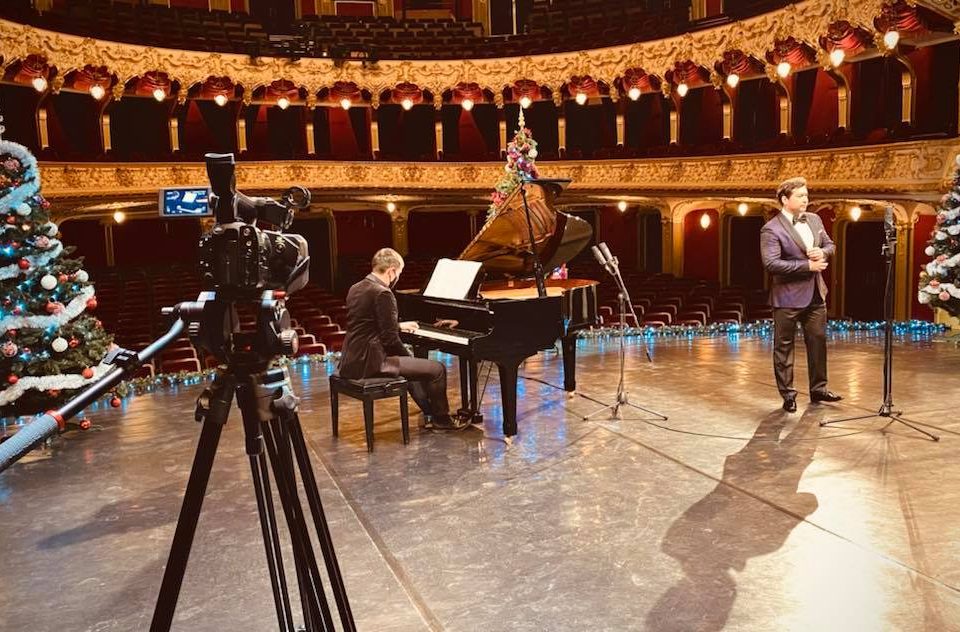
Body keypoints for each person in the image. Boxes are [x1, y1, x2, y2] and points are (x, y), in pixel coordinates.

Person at [337, 248, 469, 430]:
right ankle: (442, 420)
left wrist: (398, 325)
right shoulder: (383, 293)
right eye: (399, 273)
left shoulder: (356, 287)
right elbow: (390, 340)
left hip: (351, 360)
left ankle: (430, 412)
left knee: (410, 367)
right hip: (372, 363)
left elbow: (366, 323)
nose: (398, 277)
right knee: (437, 369)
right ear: (391, 271)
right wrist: (408, 356)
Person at [760, 177, 843, 412]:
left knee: (818, 343)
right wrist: (807, 266)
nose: (806, 199)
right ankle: (788, 395)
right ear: (785, 200)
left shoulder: (814, 219)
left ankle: (819, 389)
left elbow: (831, 245)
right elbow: (771, 264)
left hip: (816, 294)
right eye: (800, 196)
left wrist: (822, 252)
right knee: (784, 347)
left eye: (806, 195)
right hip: (787, 297)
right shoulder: (771, 228)